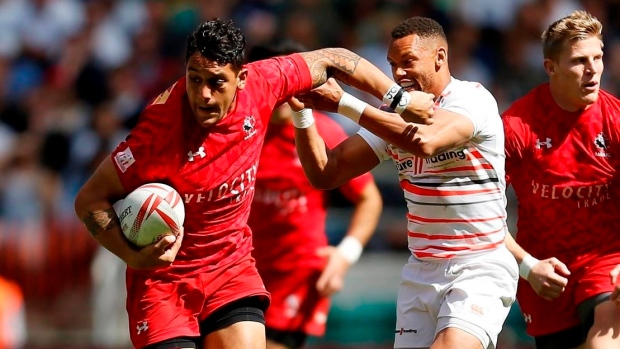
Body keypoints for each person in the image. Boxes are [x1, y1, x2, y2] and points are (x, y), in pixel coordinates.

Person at [73, 18, 434, 349]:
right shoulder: (156, 132)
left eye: (216, 82)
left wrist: (399, 100)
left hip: (231, 270)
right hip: (164, 284)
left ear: (241, 79)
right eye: (194, 78)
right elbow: (89, 201)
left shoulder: (264, 82)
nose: (203, 95)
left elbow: (333, 58)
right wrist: (132, 254)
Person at [291, 16, 518, 349]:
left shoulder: (472, 99)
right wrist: (304, 111)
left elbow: (425, 139)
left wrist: (343, 103)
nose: (398, 74)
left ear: (440, 57)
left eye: (408, 62)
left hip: (478, 265)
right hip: (421, 271)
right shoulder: (392, 117)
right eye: (393, 65)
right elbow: (326, 172)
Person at [246, 42, 383, 349]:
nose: (281, 94)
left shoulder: (323, 133)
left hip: (295, 278)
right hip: (237, 270)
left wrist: (345, 255)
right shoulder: (236, 132)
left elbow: (369, 198)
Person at [501, 10, 620, 349]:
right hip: (545, 272)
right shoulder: (516, 126)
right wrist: (527, 267)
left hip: (607, 260)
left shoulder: (615, 119)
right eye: (579, 60)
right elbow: (480, 212)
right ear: (550, 67)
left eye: (598, 57)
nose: (593, 69)